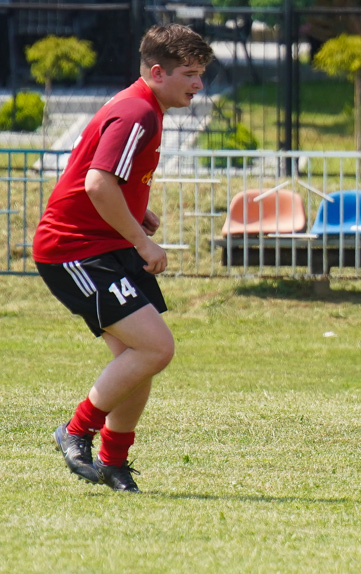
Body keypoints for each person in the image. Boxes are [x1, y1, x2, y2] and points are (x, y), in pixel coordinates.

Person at [33, 24, 214, 492]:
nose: (198, 85)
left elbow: (98, 172)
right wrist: (142, 241)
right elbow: (96, 182)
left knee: (141, 357)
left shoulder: (138, 103)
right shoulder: (139, 112)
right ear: (158, 72)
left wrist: (136, 210)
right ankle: (75, 431)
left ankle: (114, 463)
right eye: (190, 74)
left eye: (201, 74)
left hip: (102, 244)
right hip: (74, 249)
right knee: (156, 348)